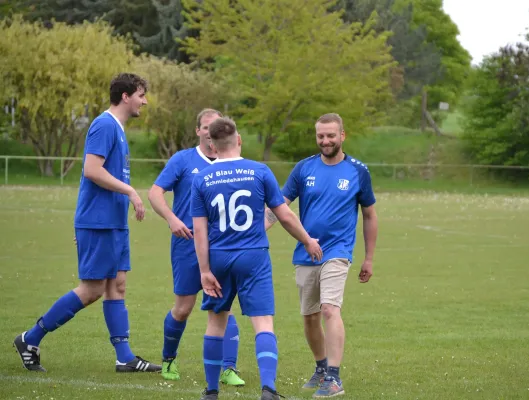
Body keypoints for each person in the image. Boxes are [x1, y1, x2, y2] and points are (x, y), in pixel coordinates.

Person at [13, 73, 161, 373]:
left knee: (117, 286)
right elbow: (92, 170)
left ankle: (125, 358)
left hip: (114, 223)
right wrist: (131, 191)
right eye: (141, 95)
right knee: (92, 289)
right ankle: (30, 338)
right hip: (99, 222)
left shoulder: (117, 128)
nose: (144, 101)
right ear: (125, 96)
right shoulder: (104, 125)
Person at [190, 117, 323, 400]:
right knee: (263, 323)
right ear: (239, 140)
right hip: (253, 256)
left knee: (216, 322)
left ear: (211, 144)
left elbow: (199, 230)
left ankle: (211, 392)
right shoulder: (259, 171)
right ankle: (268, 389)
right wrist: (307, 240)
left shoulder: (201, 178)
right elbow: (284, 214)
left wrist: (203, 270)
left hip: (218, 257)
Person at [264, 113, 378, 398]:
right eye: (320, 136)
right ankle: (322, 367)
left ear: (342, 135)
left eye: (330, 135)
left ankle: (335, 378)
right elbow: (279, 207)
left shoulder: (358, 171)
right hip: (306, 252)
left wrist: (369, 258)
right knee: (310, 317)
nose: (325, 141)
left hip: (338, 252)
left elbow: (369, 215)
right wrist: (256, 230)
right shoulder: (303, 169)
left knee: (329, 309)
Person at [147, 108, 245, 385]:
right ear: (199, 131)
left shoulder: (233, 162)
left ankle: (228, 368)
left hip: (223, 246)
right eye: (205, 127)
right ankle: (168, 359)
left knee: (223, 305)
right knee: (184, 307)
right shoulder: (183, 160)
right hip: (187, 245)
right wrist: (172, 219)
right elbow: (155, 193)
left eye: (215, 127)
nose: (210, 131)